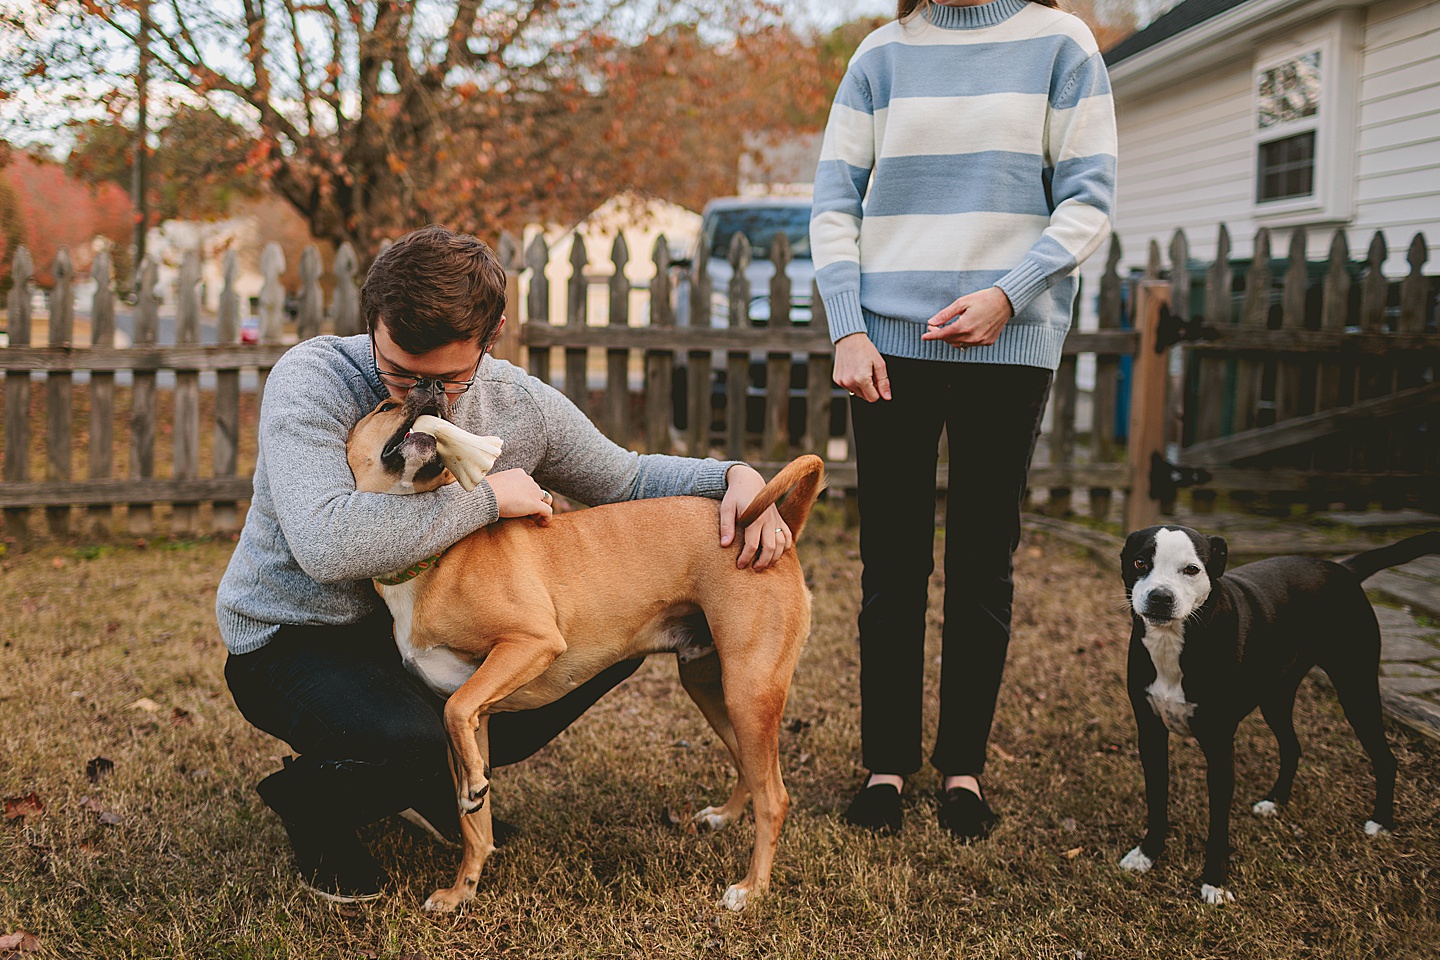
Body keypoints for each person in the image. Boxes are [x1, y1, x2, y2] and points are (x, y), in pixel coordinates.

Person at [216, 225, 794, 902]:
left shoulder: (518, 404)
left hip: (416, 628)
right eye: (399, 373)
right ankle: (314, 806)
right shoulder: (313, 380)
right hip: (295, 635)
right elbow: (325, 546)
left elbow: (627, 478)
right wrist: (488, 499)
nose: (419, 400)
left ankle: (432, 778)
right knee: (410, 738)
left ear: (488, 344)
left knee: (593, 633)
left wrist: (734, 475)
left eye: (447, 380)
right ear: (369, 327)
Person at [811, 0, 1116, 838]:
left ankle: (963, 773)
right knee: (892, 563)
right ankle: (884, 768)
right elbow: (834, 201)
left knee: (984, 562)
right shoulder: (881, 53)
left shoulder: (1062, 43)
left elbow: (1089, 200)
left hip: (1008, 344)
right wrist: (847, 325)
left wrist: (1008, 296)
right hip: (885, 349)